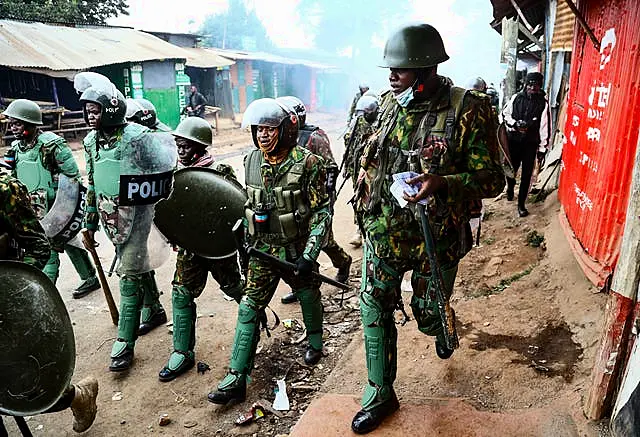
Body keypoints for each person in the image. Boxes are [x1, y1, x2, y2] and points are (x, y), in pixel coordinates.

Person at [351, 24, 505, 433]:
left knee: (426, 313)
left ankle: (441, 323)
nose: (391, 75)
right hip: (384, 234)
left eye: (399, 68)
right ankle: (380, 393)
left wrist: (443, 183)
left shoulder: (466, 108)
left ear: (425, 67)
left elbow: (494, 179)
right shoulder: (387, 105)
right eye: (389, 68)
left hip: (434, 241)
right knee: (374, 306)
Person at [207, 98, 331, 405]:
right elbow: (248, 204)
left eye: (270, 129)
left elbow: (322, 213)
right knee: (249, 306)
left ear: (286, 131)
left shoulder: (308, 163)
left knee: (307, 294)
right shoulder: (250, 160)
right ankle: (237, 377)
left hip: (296, 249)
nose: (263, 135)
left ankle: (315, 342)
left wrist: (309, 255)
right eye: (258, 129)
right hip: (263, 250)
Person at [78, 74, 175, 371]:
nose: (90, 116)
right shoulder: (90, 141)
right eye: (87, 111)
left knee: (129, 274)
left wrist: (151, 196)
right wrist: (90, 221)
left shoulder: (136, 136)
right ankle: (155, 309)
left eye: (95, 111)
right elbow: (92, 182)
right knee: (134, 261)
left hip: (138, 214)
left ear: (109, 110)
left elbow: (165, 168)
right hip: (110, 216)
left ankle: (125, 343)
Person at [0, 164, 99, 434]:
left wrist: (13, 291)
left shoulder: (4, 189)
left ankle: (77, 397)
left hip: (5, 304)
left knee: (22, 381)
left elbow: (39, 246)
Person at [157, 117, 245, 381]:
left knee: (232, 287)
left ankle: (255, 315)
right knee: (181, 293)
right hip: (190, 248)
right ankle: (182, 352)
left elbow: (236, 207)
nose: (180, 150)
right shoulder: (175, 175)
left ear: (199, 146)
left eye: (185, 146)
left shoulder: (221, 171)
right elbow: (168, 211)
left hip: (218, 247)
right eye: (178, 145)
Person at [2, 99, 100, 298]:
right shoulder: (15, 149)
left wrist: (65, 210)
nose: (13, 128)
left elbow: (72, 177)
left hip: (57, 206)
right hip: (31, 208)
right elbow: (9, 175)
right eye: (11, 123)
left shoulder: (52, 145)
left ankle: (45, 294)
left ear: (30, 123)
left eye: (17, 123)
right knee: (67, 244)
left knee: (57, 246)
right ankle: (89, 277)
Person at [276, 96, 352, 304]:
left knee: (322, 240)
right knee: (296, 244)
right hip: (292, 200)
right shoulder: (283, 137)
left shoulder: (314, 137)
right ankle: (301, 286)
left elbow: (330, 168)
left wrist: (324, 201)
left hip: (317, 198)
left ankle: (343, 262)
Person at [501, 71, 550, 217]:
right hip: (514, 140)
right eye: (530, 85)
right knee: (511, 169)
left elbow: (545, 127)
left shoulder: (543, 103)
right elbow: (505, 114)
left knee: (527, 175)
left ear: (540, 87)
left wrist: (542, 148)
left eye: (535, 86)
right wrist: (515, 124)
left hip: (531, 143)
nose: (532, 88)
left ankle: (521, 204)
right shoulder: (516, 98)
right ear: (526, 85)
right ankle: (510, 188)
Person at [343, 95, 379, 248]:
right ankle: (359, 230)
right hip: (356, 170)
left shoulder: (380, 126)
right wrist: (347, 168)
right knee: (359, 199)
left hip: (373, 171)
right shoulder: (354, 126)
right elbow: (349, 149)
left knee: (373, 199)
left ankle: (370, 232)